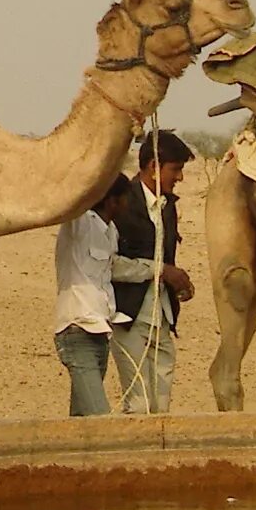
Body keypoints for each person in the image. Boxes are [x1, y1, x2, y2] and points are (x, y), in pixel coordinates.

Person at [109, 131, 195, 414]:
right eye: (176, 169)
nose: (180, 177)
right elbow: (110, 264)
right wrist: (160, 271)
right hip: (129, 318)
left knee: (161, 407)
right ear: (153, 166)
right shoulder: (120, 204)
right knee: (139, 404)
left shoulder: (168, 207)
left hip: (162, 317)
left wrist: (177, 283)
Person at [52, 176, 134, 417]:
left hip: (101, 333)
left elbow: (112, 269)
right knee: (100, 417)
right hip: (77, 330)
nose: (129, 204)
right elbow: (70, 194)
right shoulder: (78, 224)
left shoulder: (111, 231)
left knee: (82, 421)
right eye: (125, 198)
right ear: (112, 201)